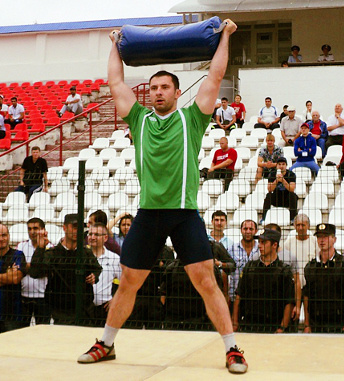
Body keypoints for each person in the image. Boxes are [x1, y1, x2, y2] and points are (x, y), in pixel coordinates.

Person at [78, 20, 248, 373]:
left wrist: (227, 36)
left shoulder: (192, 118)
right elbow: (115, 82)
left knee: (206, 280)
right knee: (129, 283)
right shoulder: (138, 118)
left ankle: (232, 349)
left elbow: (215, 77)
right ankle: (106, 344)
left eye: (164, 87)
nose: (157, 92)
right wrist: (114, 44)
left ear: (176, 92)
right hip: (149, 214)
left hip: (184, 213)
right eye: (153, 87)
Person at [30, 214, 101, 326]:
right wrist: (40, 248)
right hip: (61, 310)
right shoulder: (53, 253)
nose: (77, 231)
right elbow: (35, 272)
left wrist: (94, 276)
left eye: (79, 228)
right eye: (74, 227)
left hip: (84, 309)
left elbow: (97, 269)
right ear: (64, 228)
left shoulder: (86, 252)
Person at [303, 223, 344, 333]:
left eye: (326, 236)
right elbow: (306, 295)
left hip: (342, 325)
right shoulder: (310, 267)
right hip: (317, 325)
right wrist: (307, 324)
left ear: (334, 239)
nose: (322, 240)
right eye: (319, 237)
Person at [232, 228, 294, 333]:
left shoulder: (284, 271)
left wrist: (282, 327)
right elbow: (239, 295)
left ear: (274, 245)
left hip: (273, 325)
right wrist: (235, 322)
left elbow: (289, 302)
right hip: (249, 324)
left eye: (264, 242)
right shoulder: (250, 267)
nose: (259, 245)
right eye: (259, 242)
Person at [16, 218, 51, 327]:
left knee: (43, 332)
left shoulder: (50, 248)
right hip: (24, 295)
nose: (32, 231)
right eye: (29, 229)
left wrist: (27, 266)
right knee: (22, 330)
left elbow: (44, 270)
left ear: (43, 230)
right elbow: (17, 267)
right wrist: (34, 266)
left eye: (35, 228)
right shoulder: (22, 246)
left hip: (43, 297)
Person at [89, 223, 121, 327]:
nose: (92, 237)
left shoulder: (114, 258)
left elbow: (125, 283)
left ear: (105, 237)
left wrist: (115, 300)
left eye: (97, 235)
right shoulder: (81, 256)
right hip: (84, 308)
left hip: (104, 309)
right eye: (90, 234)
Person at [283, 214, 318, 302]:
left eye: (303, 225)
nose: (300, 228)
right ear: (294, 226)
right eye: (298, 225)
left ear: (308, 226)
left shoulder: (314, 242)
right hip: (293, 287)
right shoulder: (288, 243)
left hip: (311, 287)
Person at [0, 224, 27, 333]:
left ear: (9, 236)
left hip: (12, 314)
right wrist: (7, 275)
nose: (1, 239)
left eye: (4, 235)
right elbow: (10, 277)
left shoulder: (18, 255)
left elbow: (15, 278)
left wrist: (11, 276)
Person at [227, 220, 259, 309]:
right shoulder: (231, 249)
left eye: (251, 229)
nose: (248, 231)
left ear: (256, 231)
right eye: (245, 228)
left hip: (255, 298)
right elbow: (226, 273)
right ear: (241, 230)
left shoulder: (261, 250)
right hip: (235, 296)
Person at [262, 157, 298, 223]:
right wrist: (276, 180)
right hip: (276, 198)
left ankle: (293, 218)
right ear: (276, 166)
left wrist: (283, 180)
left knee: (293, 195)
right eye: (279, 164)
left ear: (286, 165)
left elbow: (292, 189)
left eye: (283, 164)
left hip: (287, 198)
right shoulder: (272, 174)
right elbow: (269, 189)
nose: (281, 166)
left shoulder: (291, 174)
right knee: (268, 195)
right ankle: (264, 218)